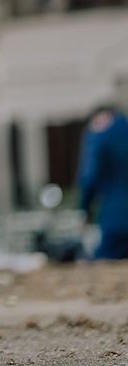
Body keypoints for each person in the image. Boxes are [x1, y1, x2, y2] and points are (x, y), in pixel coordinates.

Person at [78, 103, 128, 260]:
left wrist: (84, 209)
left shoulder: (99, 137)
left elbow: (89, 178)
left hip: (115, 219)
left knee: (107, 263)